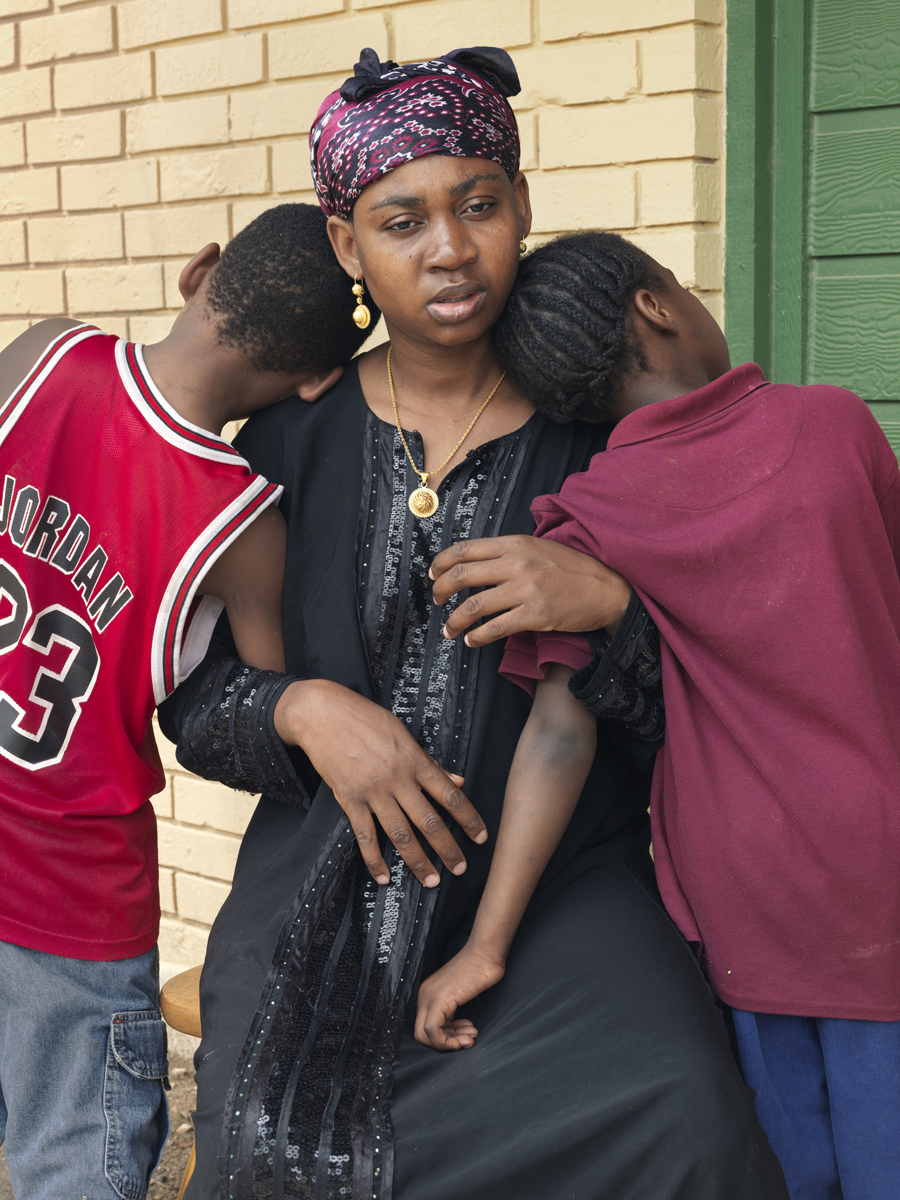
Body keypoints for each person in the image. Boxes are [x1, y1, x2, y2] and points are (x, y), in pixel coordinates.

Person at [160, 48, 787, 1200]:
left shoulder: (602, 436)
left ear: (522, 206)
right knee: (271, 1142)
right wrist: (302, 709)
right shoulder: (286, 447)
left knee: (685, 1113)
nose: (450, 248)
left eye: (479, 205)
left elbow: (717, 689)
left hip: (561, 895)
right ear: (348, 245)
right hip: (324, 886)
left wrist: (614, 609)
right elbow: (191, 705)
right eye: (402, 221)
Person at [477, 229, 900, 1199]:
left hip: (737, 894)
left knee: (790, 1167)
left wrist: (487, 943)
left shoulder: (586, 514)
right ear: (657, 306)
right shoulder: (835, 427)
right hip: (879, 870)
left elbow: (558, 730)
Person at [0, 203, 376, 1200]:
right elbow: (265, 704)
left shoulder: (44, 355)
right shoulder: (240, 520)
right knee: (73, 1167)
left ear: (199, 269)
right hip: (66, 900)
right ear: (314, 381)